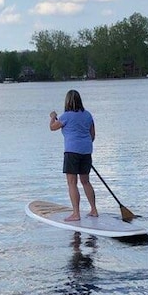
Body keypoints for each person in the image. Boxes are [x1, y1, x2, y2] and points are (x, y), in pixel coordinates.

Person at [49, 89, 98, 222]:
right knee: (85, 181)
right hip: (86, 151)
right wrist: (84, 146)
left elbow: (52, 127)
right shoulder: (88, 115)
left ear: (67, 102)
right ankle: (94, 210)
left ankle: (76, 214)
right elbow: (92, 135)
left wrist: (53, 116)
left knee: (72, 183)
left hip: (72, 152)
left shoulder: (65, 116)